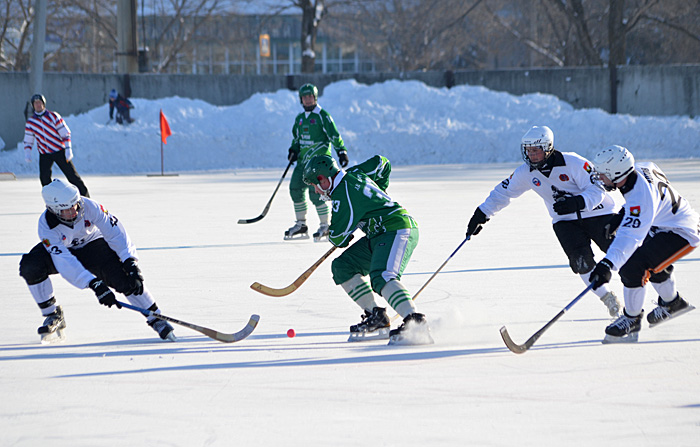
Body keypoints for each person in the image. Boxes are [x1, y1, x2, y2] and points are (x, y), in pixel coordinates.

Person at [465, 125, 622, 316]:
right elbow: (503, 192)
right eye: (528, 151)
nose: (531, 155)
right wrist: (482, 213)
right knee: (581, 263)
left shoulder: (573, 162)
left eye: (536, 150)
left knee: (620, 253)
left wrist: (578, 202)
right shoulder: (526, 173)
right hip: (565, 221)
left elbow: (598, 188)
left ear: (548, 148)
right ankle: (608, 298)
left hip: (599, 213)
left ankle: (648, 288)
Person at [19, 179, 176, 342]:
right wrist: (94, 284)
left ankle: (157, 319)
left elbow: (115, 233)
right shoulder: (46, 227)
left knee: (124, 279)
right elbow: (64, 261)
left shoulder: (90, 207)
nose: (74, 211)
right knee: (30, 266)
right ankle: (53, 314)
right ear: (53, 210)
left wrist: (130, 262)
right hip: (64, 251)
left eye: (75, 205)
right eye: (67, 210)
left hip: (93, 245)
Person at [302, 154, 432, 345]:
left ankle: (415, 322)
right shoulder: (355, 172)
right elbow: (382, 163)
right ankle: (376, 317)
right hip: (378, 234)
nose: (315, 190)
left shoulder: (342, 195)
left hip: (397, 228)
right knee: (342, 266)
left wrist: (347, 229)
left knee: (382, 276)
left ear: (324, 178)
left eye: (315, 184)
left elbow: (338, 238)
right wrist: (379, 191)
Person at [588, 145, 699, 343]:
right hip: (664, 223)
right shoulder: (641, 167)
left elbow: (630, 238)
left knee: (633, 265)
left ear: (616, 174)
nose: (599, 178)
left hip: (682, 232)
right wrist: (622, 214)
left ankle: (632, 320)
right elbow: (646, 190)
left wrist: (607, 264)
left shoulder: (641, 200)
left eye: (602, 174)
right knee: (652, 262)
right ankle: (673, 304)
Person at [285, 83, 349, 241]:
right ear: (301, 99)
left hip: (317, 164)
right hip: (302, 162)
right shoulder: (300, 119)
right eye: (304, 97)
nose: (307, 100)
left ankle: (325, 226)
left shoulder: (322, 116)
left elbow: (334, 134)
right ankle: (301, 224)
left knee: (316, 194)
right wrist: (293, 150)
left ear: (315, 97)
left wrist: (341, 151)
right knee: (295, 188)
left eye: (310, 96)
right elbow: (297, 138)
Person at [23, 94, 90, 197]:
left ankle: (86, 197)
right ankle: (52, 199)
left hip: (59, 150)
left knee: (72, 176)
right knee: (44, 178)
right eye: (35, 103)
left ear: (44, 104)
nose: (38, 105)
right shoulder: (31, 122)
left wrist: (68, 149)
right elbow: (28, 139)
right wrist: (27, 152)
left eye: (40, 103)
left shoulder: (53, 116)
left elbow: (65, 132)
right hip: (45, 153)